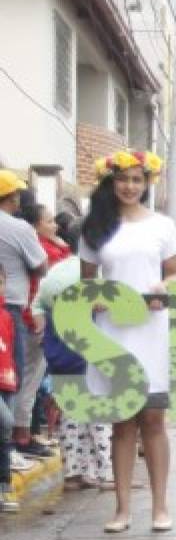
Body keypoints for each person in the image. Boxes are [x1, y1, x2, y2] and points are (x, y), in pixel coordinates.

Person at [80, 150, 176, 533]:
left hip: (151, 329)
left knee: (153, 418)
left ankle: (160, 506)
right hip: (112, 333)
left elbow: (175, 272)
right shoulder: (95, 228)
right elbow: (87, 281)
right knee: (122, 422)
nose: (130, 186)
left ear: (147, 184)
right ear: (110, 182)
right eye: (123, 179)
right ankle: (121, 509)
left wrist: (162, 286)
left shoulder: (162, 226)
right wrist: (96, 298)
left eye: (138, 180)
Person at [32, 219, 112, 491]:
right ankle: (104, 472)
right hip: (90, 353)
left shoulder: (55, 273)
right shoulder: (94, 274)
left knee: (71, 416)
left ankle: (73, 473)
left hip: (61, 355)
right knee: (98, 415)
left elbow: (38, 307)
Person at [0, 171, 48, 460]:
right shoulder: (19, 228)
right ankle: (10, 445)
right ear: (12, 197)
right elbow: (41, 266)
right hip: (11, 307)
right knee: (10, 375)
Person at [16, 203, 69, 449]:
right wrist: (61, 246)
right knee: (30, 378)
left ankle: (27, 430)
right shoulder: (41, 249)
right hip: (35, 321)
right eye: (49, 221)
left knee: (32, 378)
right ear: (36, 226)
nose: (55, 225)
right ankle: (23, 434)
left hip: (34, 319)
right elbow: (60, 271)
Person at [0, 265, 17, 513]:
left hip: (6, 380)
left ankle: (3, 487)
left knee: (3, 437)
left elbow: (10, 349)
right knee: (5, 423)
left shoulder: (6, 316)